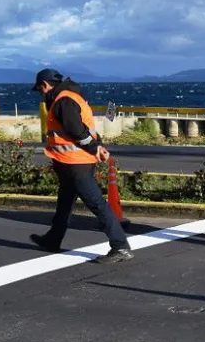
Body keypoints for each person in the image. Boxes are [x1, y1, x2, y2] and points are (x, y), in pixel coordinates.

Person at [29, 69, 135, 263]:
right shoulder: (72, 96)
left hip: (76, 163)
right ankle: (53, 239)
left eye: (40, 89)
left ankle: (120, 246)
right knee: (65, 203)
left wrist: (95, 147)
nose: (41, 94)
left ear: (45, 85)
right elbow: (87, 129)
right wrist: (98, 146)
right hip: (72, 161)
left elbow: (77, 131)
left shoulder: (63, 100)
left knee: (97, 203)